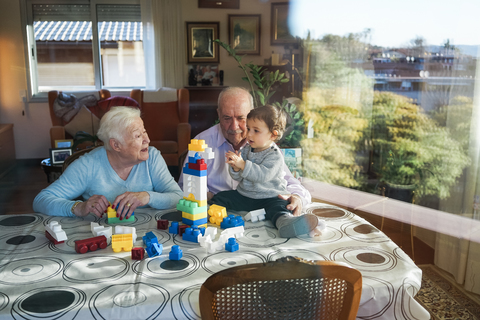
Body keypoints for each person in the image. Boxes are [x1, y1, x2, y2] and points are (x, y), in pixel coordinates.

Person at [178, 87, 311, 216]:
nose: (234, 126)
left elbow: (290, 181)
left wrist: (297, 198)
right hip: (220, 212)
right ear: (218, 114)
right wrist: (203, 194)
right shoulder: (201, 142)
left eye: (241, 118)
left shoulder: (266, 144)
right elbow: (184, 185)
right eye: (227, 118)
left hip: (263, 209)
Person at [33, 106, 183, 218]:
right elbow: (41, 200)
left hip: (150, 235)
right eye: (138, 136)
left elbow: (178, 196)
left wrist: (147, 196)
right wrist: (78, 207)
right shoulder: (88, 165)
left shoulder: (152, 157)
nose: (147, 140)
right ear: (116, 145)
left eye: (144, 132)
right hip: (104, 239)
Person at [210, 105, 318, 238]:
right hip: (245, 195)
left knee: (280, 207)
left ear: (273, 135)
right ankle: (205, 213)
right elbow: (237, 177)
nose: (249, 134)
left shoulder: (274, 155)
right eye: (248, 129)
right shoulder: (246, 149)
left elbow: (262, 175)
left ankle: (286, 223)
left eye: (256, 130)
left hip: (269, 197)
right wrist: (235, 168)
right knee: (222, 197)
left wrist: (243, 165)